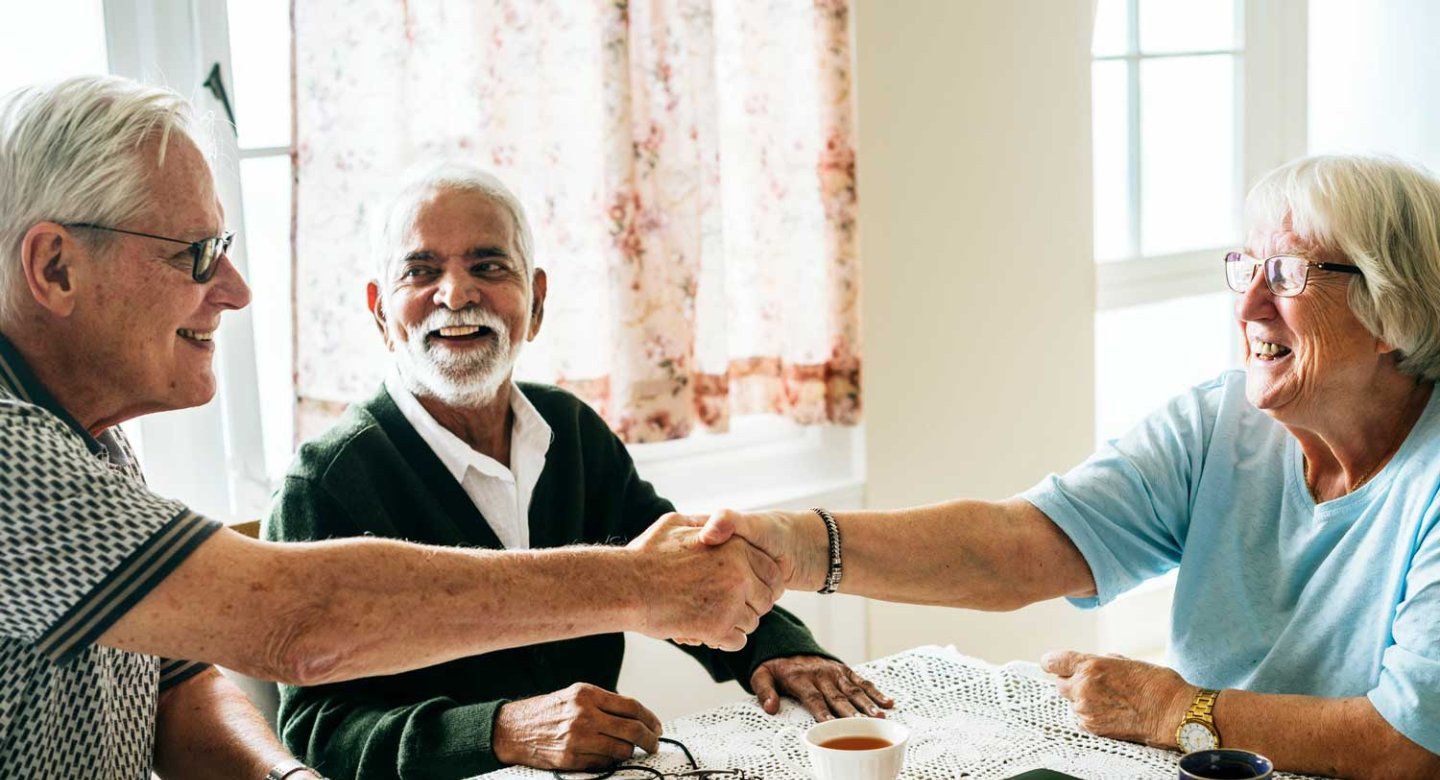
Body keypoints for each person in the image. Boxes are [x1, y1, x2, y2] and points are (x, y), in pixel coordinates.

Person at [0, 76, 780, 780]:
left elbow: (175, 684)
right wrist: (639, 587)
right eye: (197, 255)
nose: (235, 290)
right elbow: (297, 625)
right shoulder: (14, 454)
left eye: (489, 266)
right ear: (57, 268)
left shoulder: (91, 438)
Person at [699, 156, 1440, 778]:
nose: (1248, 305)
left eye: (1285, 275)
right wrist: (793, 544)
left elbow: (1410, 742)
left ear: (1391, 308)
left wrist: (1175, 710)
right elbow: (1020, 547)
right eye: (1246, 266)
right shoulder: (1223, 424)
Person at [264, 163, 891, 778]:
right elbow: (315, 728)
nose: (455, 294)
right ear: (380, 312)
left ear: (536, 303)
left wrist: (784, 649)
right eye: (421, 271)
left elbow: (684, 565)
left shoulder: (572, 431)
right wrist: (502, 731)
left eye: (487, 266)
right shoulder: (324, 483)